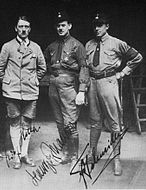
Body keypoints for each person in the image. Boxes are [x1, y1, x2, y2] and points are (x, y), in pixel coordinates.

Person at [85, 13, 143, 176]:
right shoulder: (89, 44)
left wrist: (123, 72)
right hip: (93, 83)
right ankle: (92, 152)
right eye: (95, 25)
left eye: (101, 25)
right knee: (94, 121)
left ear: (107, 26)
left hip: (109, 82)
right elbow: (85, 66)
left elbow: (137, 57)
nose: (97, 28)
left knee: (114, 122)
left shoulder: (117, 43)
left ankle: (117, 159)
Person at [0, 16, 46, 169]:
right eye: (20, 26)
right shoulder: (8, 46)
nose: (23, 29)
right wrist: (8, 81)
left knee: (28, 123)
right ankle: (16, 155)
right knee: (15, 122)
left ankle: (25, 154)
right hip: (12, 92)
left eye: (26, 27)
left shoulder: (35, 47)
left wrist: (34, 80)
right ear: (16, 29)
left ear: (30, 29)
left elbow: (42, 68)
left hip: (30, 92)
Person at [44, 11, 89, 170]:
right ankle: (64, 153)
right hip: (53, 86)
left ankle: (74, 157)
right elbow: (47, 66)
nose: (60, 28)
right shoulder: (51, 46)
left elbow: (84, 68)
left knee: (70, 122)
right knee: (59, 122)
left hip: (69, 86)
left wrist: (82, 90)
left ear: (69, 26)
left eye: (63, 25)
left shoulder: (77, 45)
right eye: (58, 25)